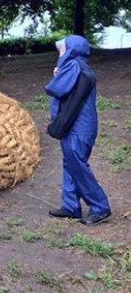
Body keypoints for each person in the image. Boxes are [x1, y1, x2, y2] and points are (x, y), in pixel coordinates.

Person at [44, 35, 111, 226]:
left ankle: (100, 207)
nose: (60, 53)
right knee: (70, 164)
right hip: (76, 128)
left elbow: (58, 93)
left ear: (72, 50)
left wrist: (55, 127)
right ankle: (71, 206)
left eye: (63, 50)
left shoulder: (76, 68)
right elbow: (63, 90)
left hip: (78, 128)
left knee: (78, 167)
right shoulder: (77, 68)